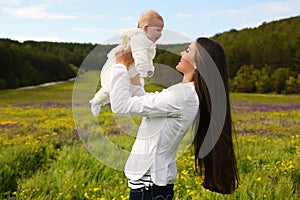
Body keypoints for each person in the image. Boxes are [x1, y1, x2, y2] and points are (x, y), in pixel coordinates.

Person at [110, 37, 239, 199]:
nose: (181, 53)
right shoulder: (185, 93)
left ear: (198, 63)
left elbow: (120, 105)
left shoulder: (183, 96)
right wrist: (133, 69)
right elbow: (144, 102)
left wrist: (120, 65)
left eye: (188, 50)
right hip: (152, 186)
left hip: (149, 187)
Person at [89, 10, 164, 116]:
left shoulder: (148, 43)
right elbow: (140, 55)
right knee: (109, 88)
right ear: (145, 28)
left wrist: (150, 68)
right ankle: (96, 101)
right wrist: (143, 69)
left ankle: (137, 105)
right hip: (126, 65)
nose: (160, 34)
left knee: (131, 89)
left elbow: (148, 58)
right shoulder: (139, 38)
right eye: (157, 30)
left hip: (132, 69)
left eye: (161, 31)